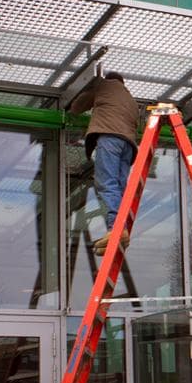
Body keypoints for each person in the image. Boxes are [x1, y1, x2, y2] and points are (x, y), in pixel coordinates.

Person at [69, 71, 139, 255]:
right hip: (129, 146)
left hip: (110, 139)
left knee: (106, 183)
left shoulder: (103, 85)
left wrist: (70, 106)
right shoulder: (132, 100)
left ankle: (115, 228)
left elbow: (77, 107)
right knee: (119, 187)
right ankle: (121, 227)